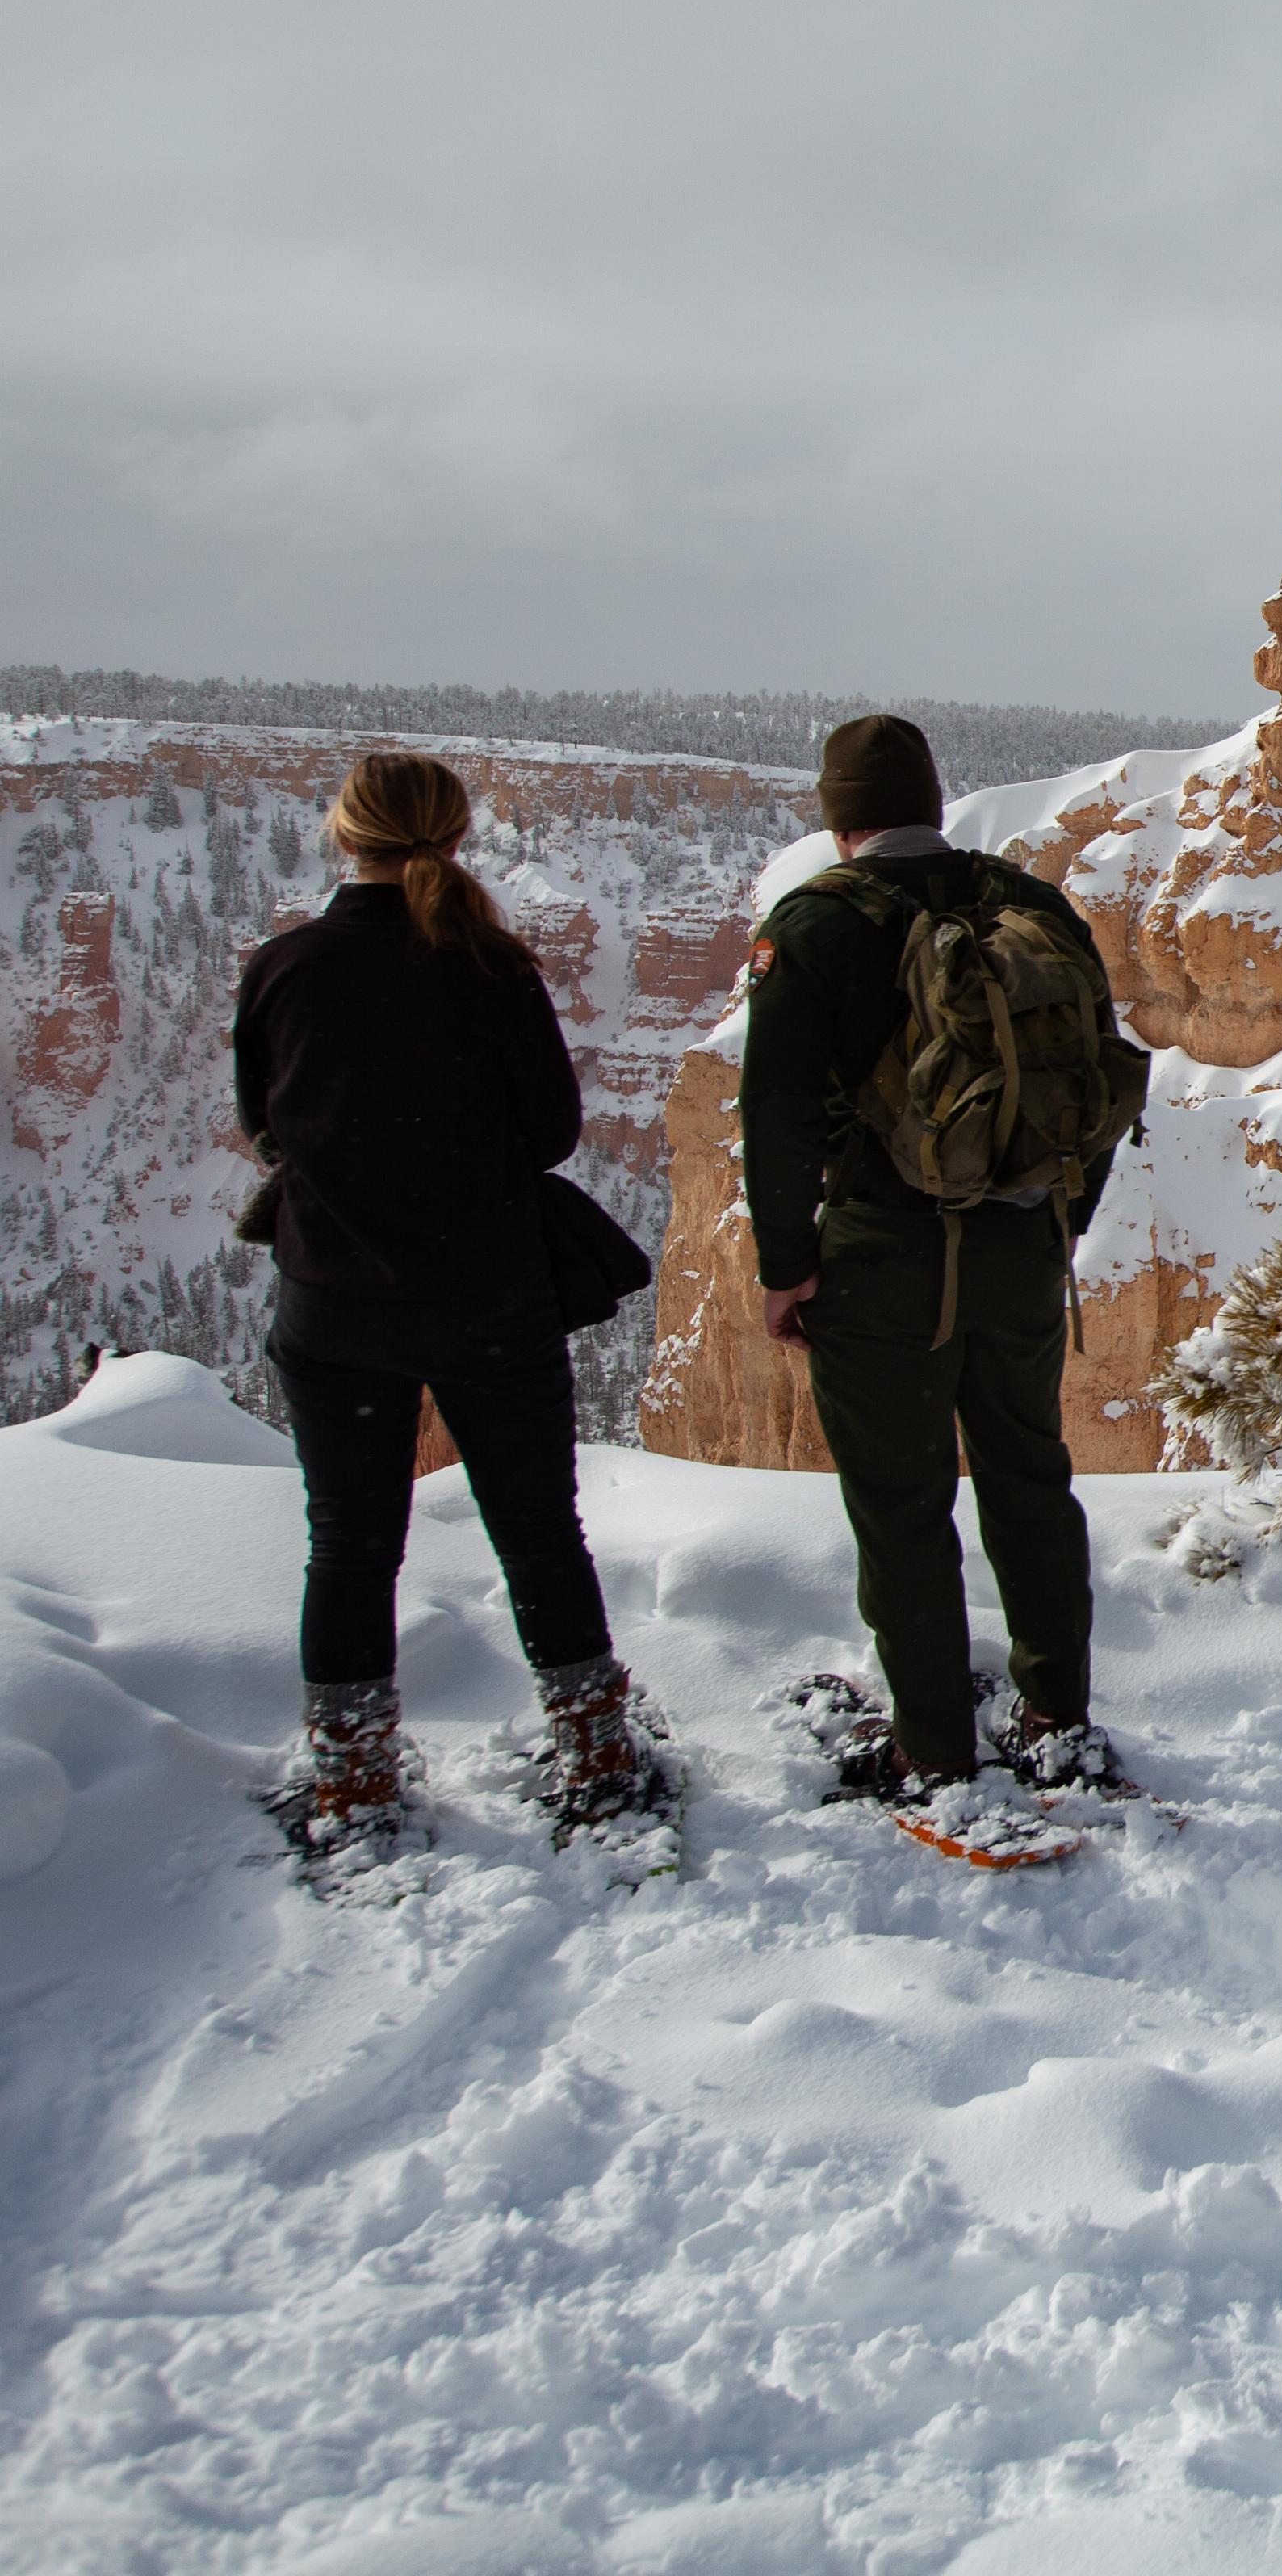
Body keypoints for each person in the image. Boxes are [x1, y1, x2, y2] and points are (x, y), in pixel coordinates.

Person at [233, 752, 658, 1848]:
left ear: (346, 835)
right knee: (538, 1533)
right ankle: (598, 1754)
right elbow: (554, 1132)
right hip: (490, 1300)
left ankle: (354, 1780)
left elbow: (265, 1122)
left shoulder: (286, 967)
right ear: (455, 838)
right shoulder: (492, 968)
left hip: (334, 1304)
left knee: (350, 1546)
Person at [739, 714, 1125, 1798]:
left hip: (882, 1253)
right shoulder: (1028, 904)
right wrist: (1059, 1223)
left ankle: (934, 1747)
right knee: (1029, 1479)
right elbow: (1094, 1082)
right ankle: (1055, 1708)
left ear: (839, 817)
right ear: (929, 798)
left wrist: (784, 1265)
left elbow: (773, 1115)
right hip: (1021, 1248)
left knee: (904, 1506)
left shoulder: (815, 926)